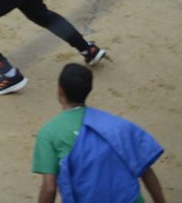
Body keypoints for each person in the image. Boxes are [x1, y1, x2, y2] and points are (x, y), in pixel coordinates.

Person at [32, 64, 167, 203]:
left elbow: (49, 188)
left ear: (60, 90)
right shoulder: (117, 125)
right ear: (89, 89)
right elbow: (145, 170)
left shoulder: (48, 133)